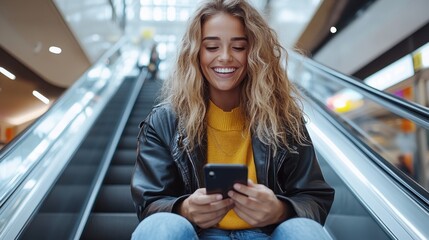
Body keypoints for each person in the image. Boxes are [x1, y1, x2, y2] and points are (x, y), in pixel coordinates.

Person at [131, 0, 335, 239]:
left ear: (255, 53)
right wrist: (184, 209)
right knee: (160, 227)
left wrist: (279, 210)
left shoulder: (284, 119)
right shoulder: (163, 121)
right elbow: (149, 204)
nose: (225, 57)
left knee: (305, 230)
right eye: (211, 47)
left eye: (239, 47)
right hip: (196, 232)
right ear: (196, 53)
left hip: (267, 232)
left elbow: (314, 197)